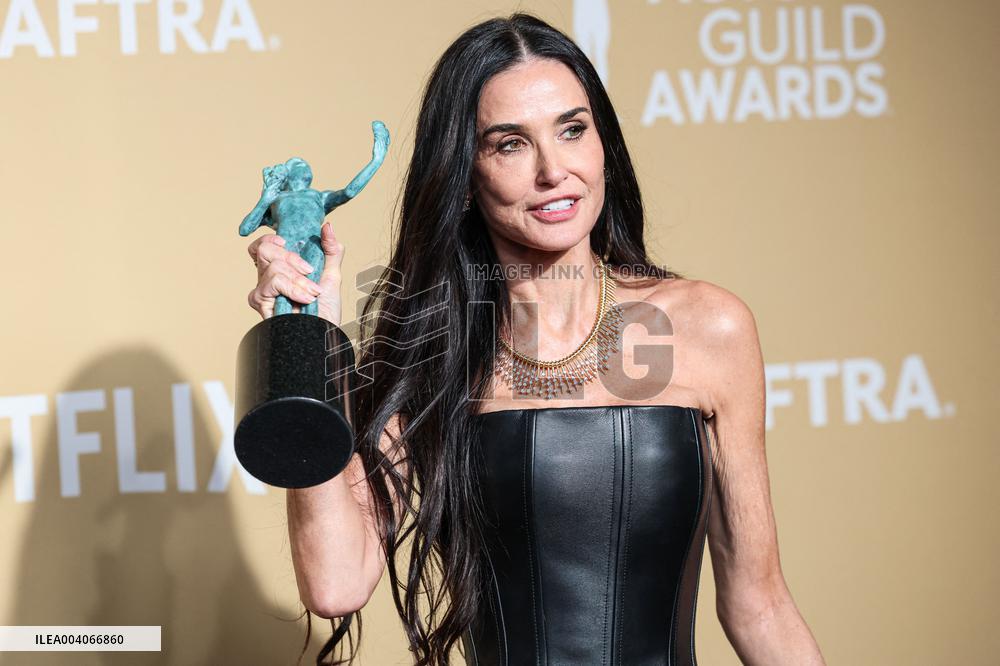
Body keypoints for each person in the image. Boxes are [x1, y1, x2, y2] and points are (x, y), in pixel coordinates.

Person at [244, 13, 826, 666]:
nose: (555, 171)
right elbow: (335, 583)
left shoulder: (709, 327)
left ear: (603, 144)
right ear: (464, 177)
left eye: (572, 130)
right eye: (510, 144)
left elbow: (760, 605)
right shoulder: (429, 354)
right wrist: (302, 338)